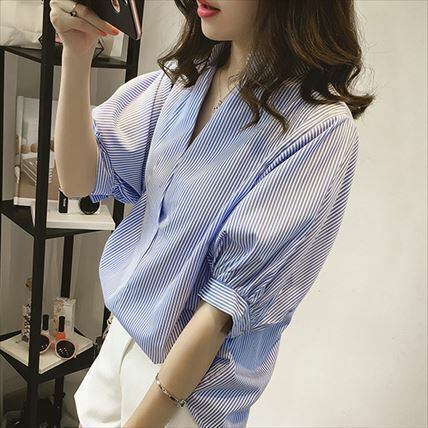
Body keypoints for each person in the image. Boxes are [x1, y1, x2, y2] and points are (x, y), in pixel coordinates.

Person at [50, 0, 374, 427]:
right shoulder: (185, 80)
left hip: (185, 394)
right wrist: (77, 53)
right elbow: (77, 180)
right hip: (120, 344)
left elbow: (221, 311)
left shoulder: (318, 127)